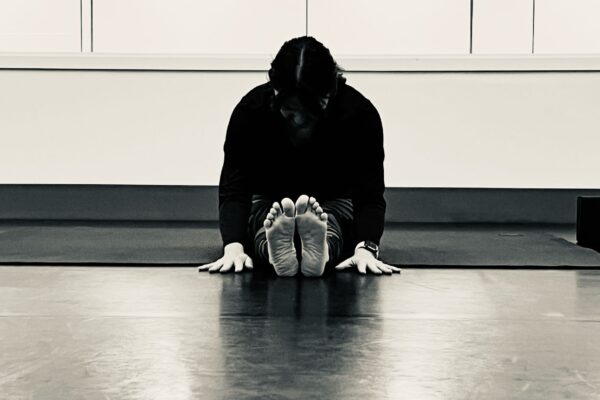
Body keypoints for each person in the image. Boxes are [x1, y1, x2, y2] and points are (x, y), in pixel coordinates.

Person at [198, 36, 400, 277]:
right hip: (269, 199)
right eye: (291, 111)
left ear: (330, 92)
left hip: (333, 200)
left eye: (310, 111)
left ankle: (320, 249)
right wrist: (233, 248)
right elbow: (235, 188)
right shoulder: (251, 111)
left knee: (334, 219)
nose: (300, 121)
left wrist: (366, 249)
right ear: (275, 91)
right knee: (264, 219)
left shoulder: (359, 114)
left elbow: (369, 194)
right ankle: (277, 251)